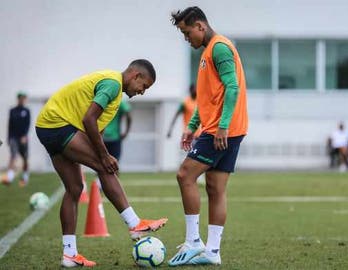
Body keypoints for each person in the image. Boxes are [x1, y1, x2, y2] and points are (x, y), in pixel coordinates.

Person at [35, 59, 167, 267]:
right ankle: (134, 224)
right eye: (144, 86)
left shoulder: (115, 97)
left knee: (75, 188)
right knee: (104, 166)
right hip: (57, 124)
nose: (142, 92)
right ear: (135, 75)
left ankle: (69, 254)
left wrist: (101, 154)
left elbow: (96, 128)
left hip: (47, 126)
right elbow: (89, 120)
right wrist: (104, 156)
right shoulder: (113, 84)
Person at [168, 6, 248, 266]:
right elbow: (208, 99)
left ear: (200, 26)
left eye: (187, 32)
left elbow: (232, 87)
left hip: (221, 130)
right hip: (225, 128)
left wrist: (223, 126)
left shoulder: (220, 48)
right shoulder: (207, 53)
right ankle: (212, 252)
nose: (186, 38)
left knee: (185, 175)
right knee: (215, 188)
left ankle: (193, 241)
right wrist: (192, 125)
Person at [2, 91, 31, 187]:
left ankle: (25, 177)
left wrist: (25, 136)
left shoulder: (27, 111)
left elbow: (28, 125)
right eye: (21, 98)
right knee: (13, 156)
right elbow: (10, 125)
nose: (22, 100)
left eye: (24, 98)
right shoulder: (12, 110)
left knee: (25, 158)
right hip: (14, 138)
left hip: (23, 138)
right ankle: (9, 178)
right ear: (18, 99)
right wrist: (9, 138)